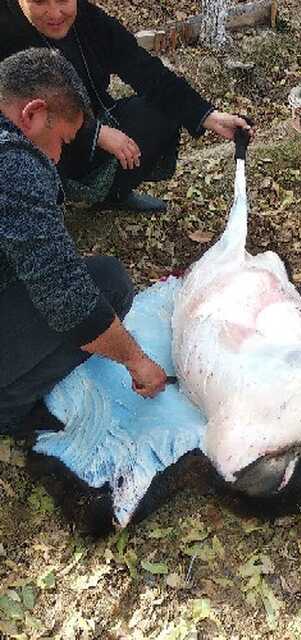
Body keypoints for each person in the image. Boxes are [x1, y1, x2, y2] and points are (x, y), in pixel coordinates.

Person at [0, 47, 169, 435]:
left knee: (96, 277)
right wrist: (137, 361)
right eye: (62, 140)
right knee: (108, 286)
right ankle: (7, 410)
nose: (58, 157)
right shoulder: (13, 164)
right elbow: (65, 297)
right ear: (32, 114)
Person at [0, 0, 252, 213]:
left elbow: (147, 71)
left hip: (89, 127)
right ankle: (40, 212)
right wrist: (93, 133)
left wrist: (210, 117)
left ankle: (113, 194)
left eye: (64, 0)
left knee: (161, 112)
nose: (55, 13)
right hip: (32, 142)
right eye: (39, 2)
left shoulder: (90, 19)